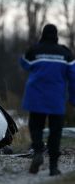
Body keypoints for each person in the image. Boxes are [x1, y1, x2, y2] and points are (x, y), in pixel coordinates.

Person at [20, 24, 75, 176]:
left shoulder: (35, 50)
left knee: (35, 127)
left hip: (36, 97)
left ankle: (38, 150)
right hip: (56, 99)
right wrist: (73, 98)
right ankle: (53, 167)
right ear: (56, 35)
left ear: (43, 35)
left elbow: (24, 63)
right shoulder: (66, 54)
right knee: (55, 133)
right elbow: (73, 77)